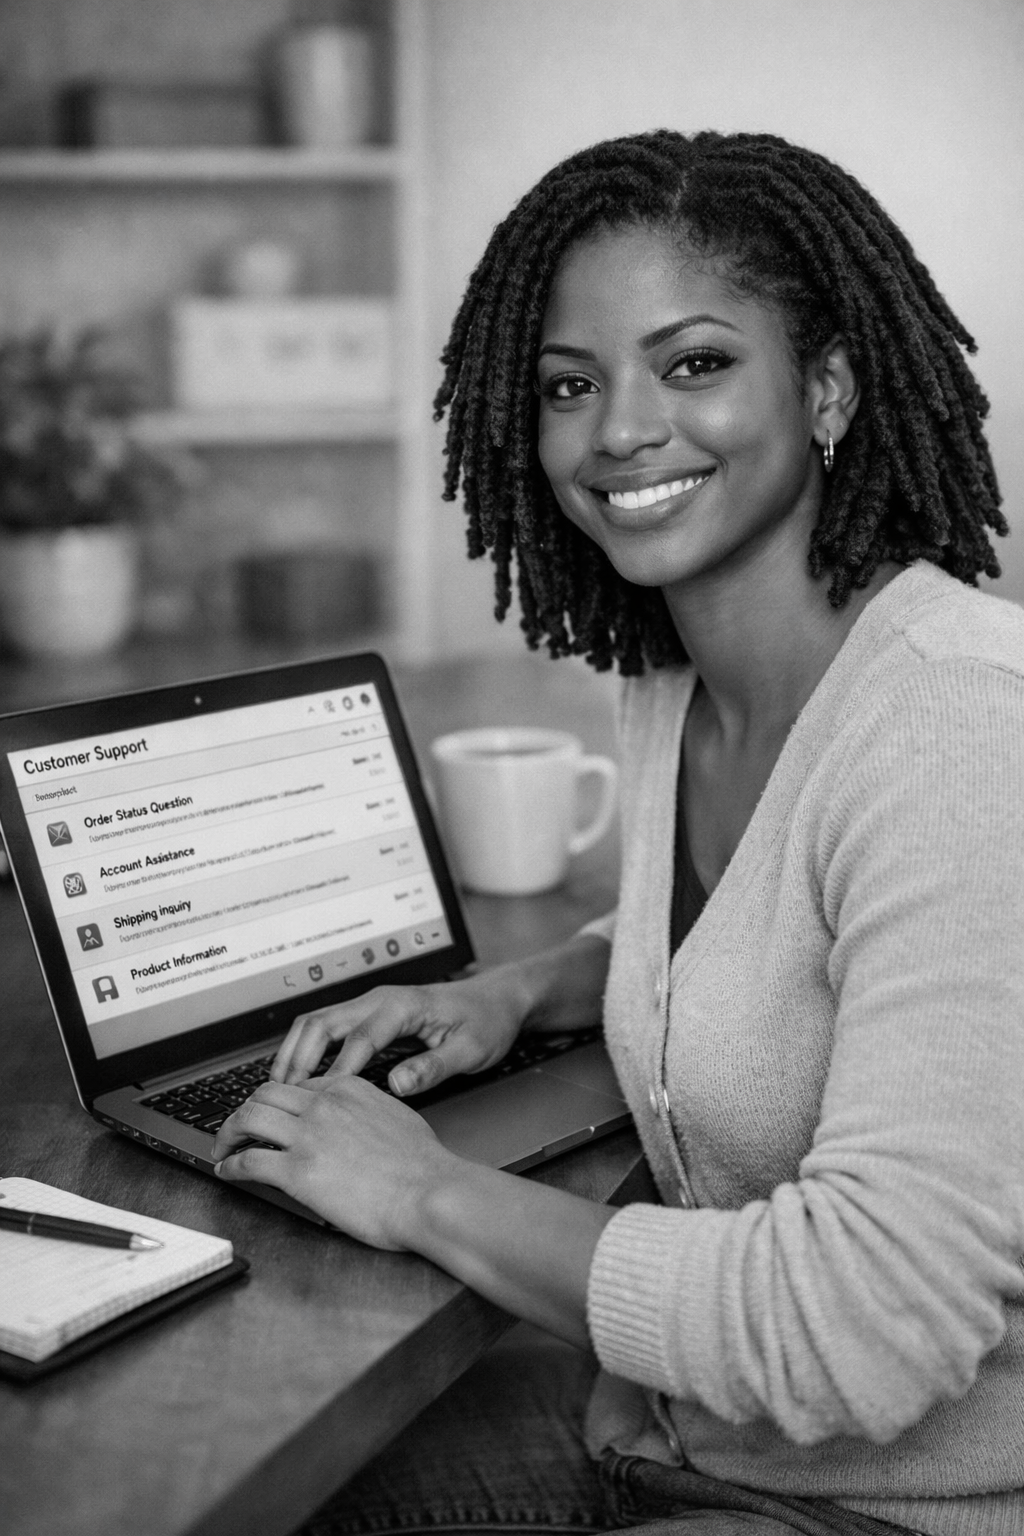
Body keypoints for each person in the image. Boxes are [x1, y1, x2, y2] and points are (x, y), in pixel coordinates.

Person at [212, 131, 1024, 1535]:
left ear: (827, 389)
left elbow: (871, 1325)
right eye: (569, 386)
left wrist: (421, 1194)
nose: (618, 431)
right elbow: (772, 929)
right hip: (671, 1430)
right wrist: (518, 990)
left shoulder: (962, 730)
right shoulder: (671, 678)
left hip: (904, 1507)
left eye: (695, 363)